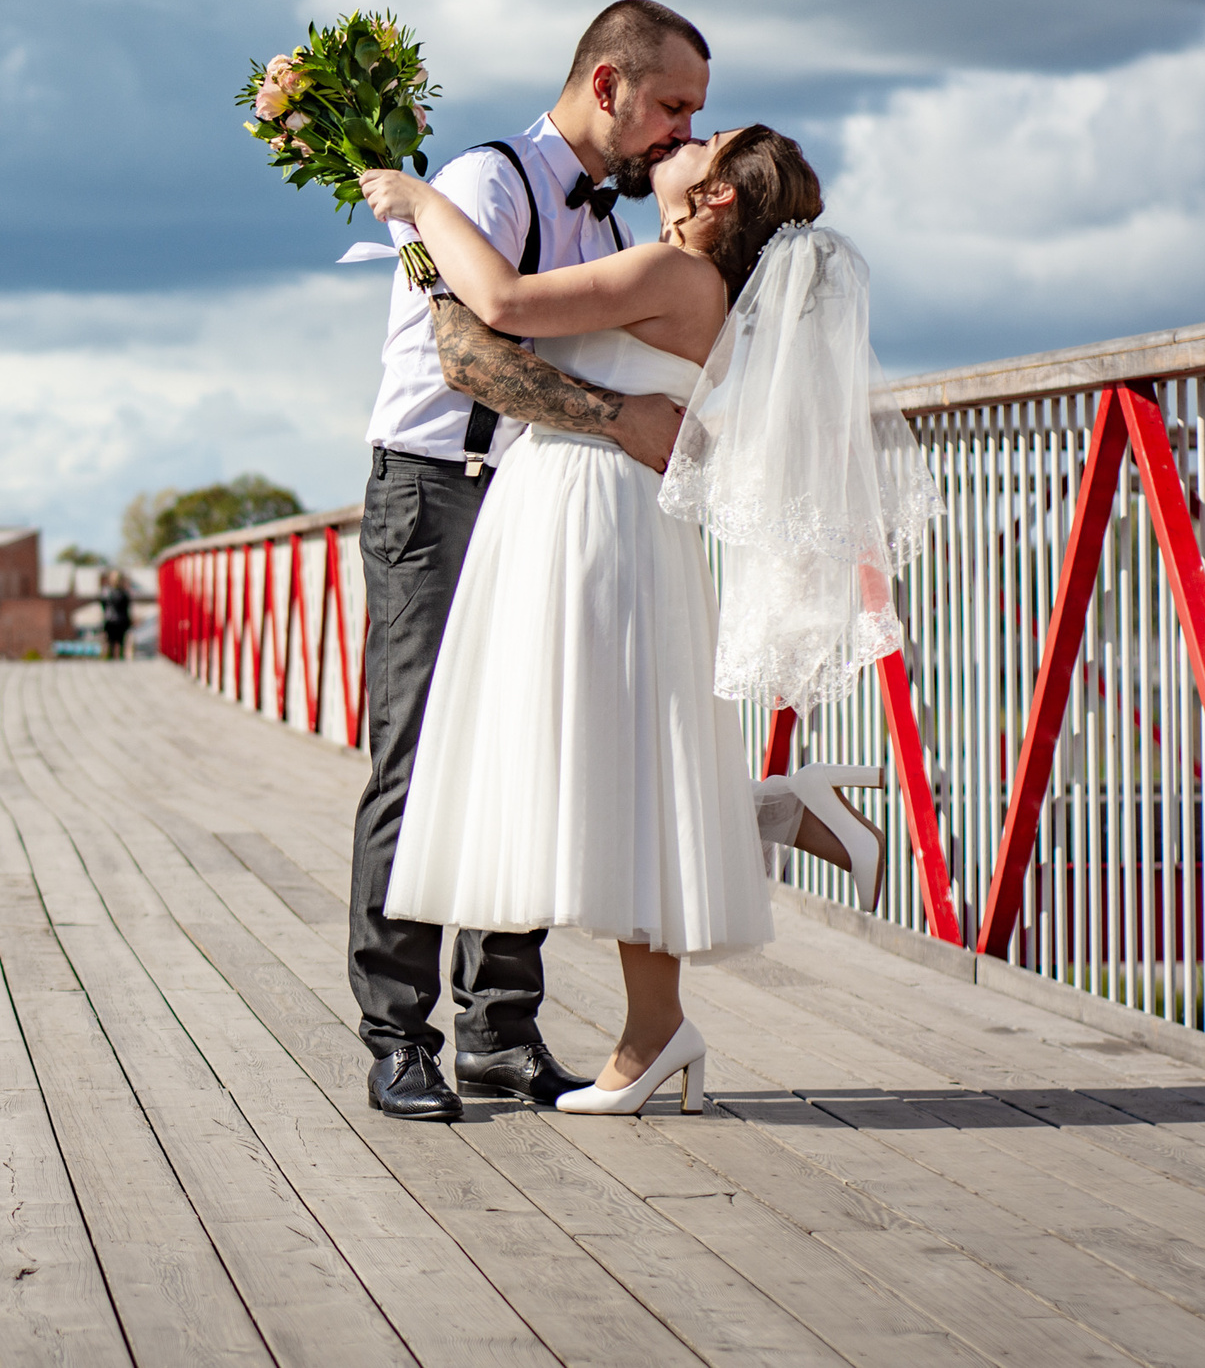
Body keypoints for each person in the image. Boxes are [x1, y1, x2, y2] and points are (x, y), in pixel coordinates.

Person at [361, 123, 920, 1116]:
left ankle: (700, 936)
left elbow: (501, 303)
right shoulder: (706, 289)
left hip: (582, 512)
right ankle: (672, 994)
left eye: (702, 145)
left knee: (586, 758)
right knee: (616, 761)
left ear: (710, 203)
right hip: (604, 513)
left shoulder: (672, 271)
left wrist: (419, 202)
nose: (683, 140)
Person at [347, 0, 707, 1123]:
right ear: (606, 84)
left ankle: (498, 1033)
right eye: (671, 104)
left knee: (531, 755)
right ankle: (397, 1033)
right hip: (437, 491)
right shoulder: (488, 182)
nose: (683, 130)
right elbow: (468, 354)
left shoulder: (616, 220)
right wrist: (617, 418)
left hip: (539, 504)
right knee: (419, 756)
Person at [99, 570, 134, 660]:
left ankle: (110, 663)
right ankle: (120, 663)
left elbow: (103, 606)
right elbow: (127, 607)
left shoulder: (105, 592)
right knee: (121, 644)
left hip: (109, 621)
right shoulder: (124, 593)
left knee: (110, 644)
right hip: (122, 621)